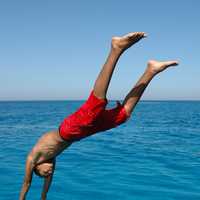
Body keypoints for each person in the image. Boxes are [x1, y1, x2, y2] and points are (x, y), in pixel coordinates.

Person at [19, 32, 178, 200]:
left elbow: (27, 184)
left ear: (37, 167)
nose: (48, 173)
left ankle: (116, 49)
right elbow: (47, 186)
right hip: (81, 133)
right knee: (122, 115)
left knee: (97, 102)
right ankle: (151, 71)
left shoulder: (32, 158)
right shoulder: (51, 159)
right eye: (47, 174)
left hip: (69, 129)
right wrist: (43, 197)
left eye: (44, 173)